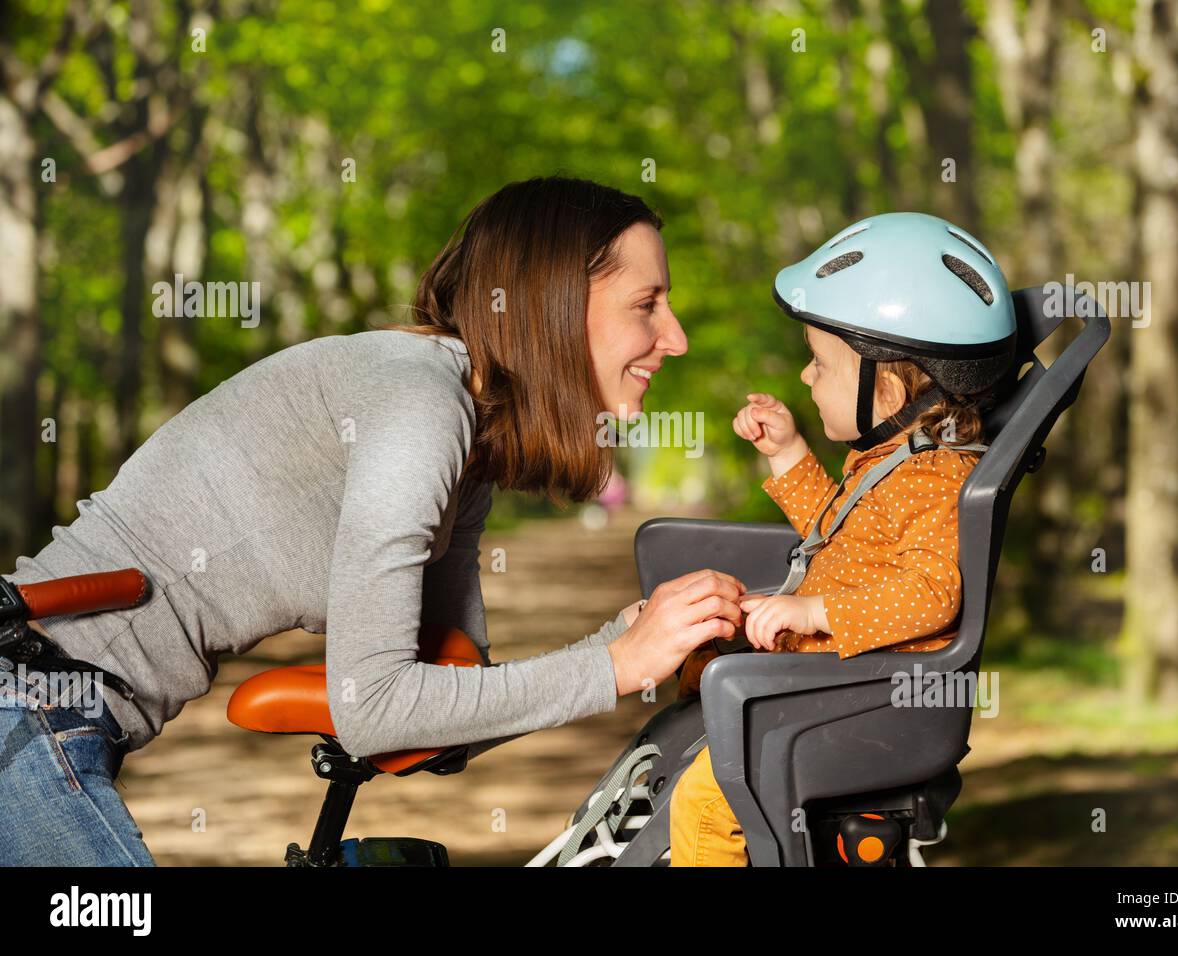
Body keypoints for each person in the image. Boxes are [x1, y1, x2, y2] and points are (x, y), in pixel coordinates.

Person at [0, 176, 745, 866]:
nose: (675, 337)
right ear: (548, 299)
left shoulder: (468, 442)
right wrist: (615, 666)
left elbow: (440, 715)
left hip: (62, 719)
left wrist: (619, 644)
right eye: (647, 305)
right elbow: (379, 709)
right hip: (27, 704)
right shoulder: (418, 404)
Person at [667, 212, 1018, 867]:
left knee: (706, 807)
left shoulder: (939, 478)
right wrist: (788, 451)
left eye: (820, 363)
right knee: (694, 661)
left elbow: (932, 594)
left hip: (864, 697)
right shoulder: (898, 461)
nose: (805, 377)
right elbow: (841, 537)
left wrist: (812, 611)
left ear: (887, 383)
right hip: (833, 680)